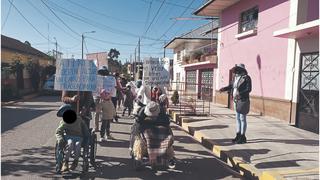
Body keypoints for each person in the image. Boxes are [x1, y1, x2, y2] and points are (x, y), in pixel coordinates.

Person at [219, 63, 252, 144]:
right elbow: (231, 86)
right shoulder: (235, 78)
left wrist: (240, 93)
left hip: (243, 100)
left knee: (242, 118)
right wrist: (223, 89)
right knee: (237, 118)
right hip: (236, 100)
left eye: (238, 69)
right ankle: (238, 135)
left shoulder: (247, 78)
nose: (237, 71)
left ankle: (243, 136)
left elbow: (249, 89)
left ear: (242, 70)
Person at [56, 104, 90, 172]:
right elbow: (58, 131)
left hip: (79, 136)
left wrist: (87, 137)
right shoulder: (64, 122)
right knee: (70, 144)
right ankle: (66, 162)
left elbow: (85, 129)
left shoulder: (79, 119)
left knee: (78, 145)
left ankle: (75, 161)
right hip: (69, 136)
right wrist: (60, 139)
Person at [93, 66, 110, 132]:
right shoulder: (108, 79)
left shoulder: (95, 78)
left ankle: (97, 127)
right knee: (104, 114)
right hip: (105, 97)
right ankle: (105, 129)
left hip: (97, 97)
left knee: (97, 113)